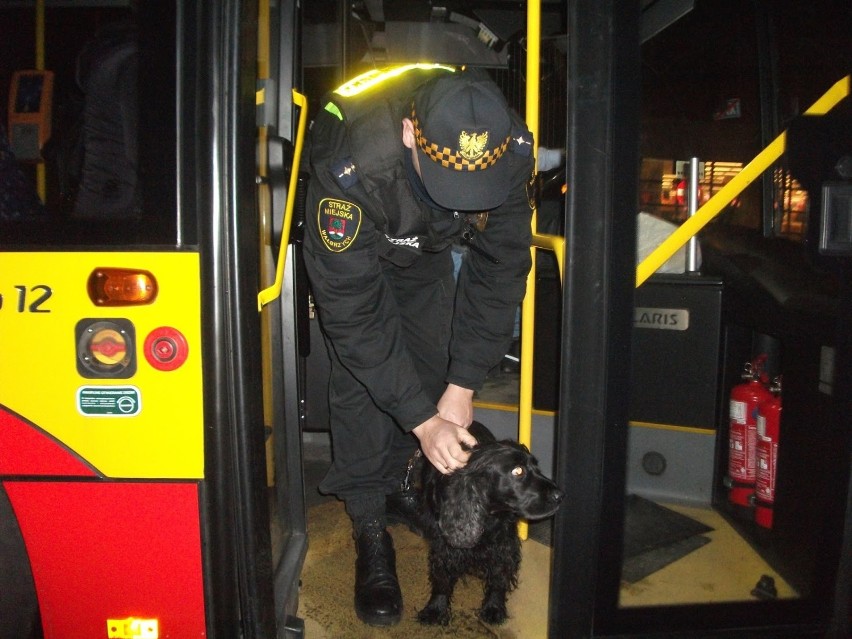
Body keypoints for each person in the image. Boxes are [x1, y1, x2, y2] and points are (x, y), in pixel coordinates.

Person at [302, 65, 535, 626]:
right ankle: (367, 521)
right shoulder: (354, 165)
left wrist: (462, 388)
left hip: (423, 254)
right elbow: (354, 313)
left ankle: (400, 482)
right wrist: (422, 421)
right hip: (364, 248)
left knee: (433, 366)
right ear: (411, 133)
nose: (465, 202)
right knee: (365, 380)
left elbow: (500, 272)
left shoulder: (509, 151)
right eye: (450, 186)